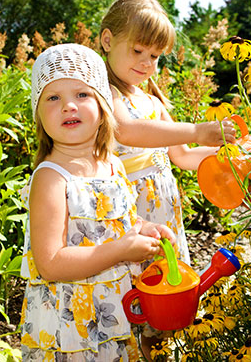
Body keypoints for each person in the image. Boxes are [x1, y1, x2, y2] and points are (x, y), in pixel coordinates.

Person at [99, 0, 236, 359]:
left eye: (155, 56)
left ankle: (158, 351)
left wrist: (227, 150)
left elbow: (184, 156)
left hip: (164, 216)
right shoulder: (104, 94)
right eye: (138, 51)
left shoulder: (154, 101)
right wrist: (197, 129)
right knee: (134, 300)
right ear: (108, 40)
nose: (146, 63)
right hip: (132, 215)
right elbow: (127, 131)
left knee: (165, 303)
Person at [19, 43, 177, 361]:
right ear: (39, 112)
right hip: (69, 325)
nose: (68, 106)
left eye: (82, 94)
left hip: (112, 311)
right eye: (53, 97)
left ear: (104, 103)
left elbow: (121, 223)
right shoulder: (51, 177)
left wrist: (147, 229)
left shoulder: (113, 165)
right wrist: (120, 251)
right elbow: (50, 263)